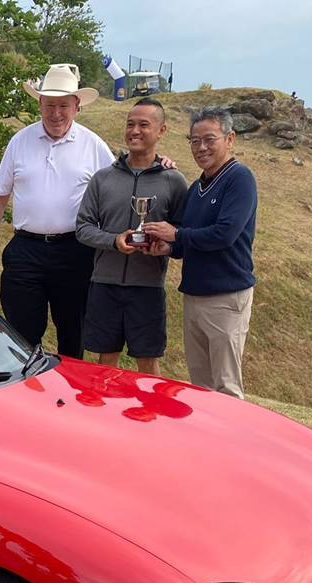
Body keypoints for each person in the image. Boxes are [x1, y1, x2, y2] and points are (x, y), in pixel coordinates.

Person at [0, 64, 113, 359]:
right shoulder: (19, 141)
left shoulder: (93, 145)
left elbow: (121, 184)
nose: (56, 113)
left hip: (75, 251)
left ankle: (69, 386)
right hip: (26, 250)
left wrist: (158, 164)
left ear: (76, 106)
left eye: (63, 105)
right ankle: (27, 385)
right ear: (39, 104)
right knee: (21, 337)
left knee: (73, 334)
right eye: (50, 105)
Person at [143, 106, 258, 398]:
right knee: (201, 386)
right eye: (195, 141)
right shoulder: (196, 188)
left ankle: (230, 432)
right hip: (194, 294)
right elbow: (188, 241)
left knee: (226, 386)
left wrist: (176, 234)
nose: (201, 147)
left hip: (226, 296)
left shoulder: (240, 178)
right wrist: (168, 247)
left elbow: (225, 234)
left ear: (229, 139)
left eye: (209, 139)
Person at [75, 97, 187, 376]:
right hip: (104, 284)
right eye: (130, 124)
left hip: (147, 286)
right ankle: (106, 407)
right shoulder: (102, 178)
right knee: (105, 362)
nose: (135, 131)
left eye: (144, 125)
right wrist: (113, 241)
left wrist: (165, 246)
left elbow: (183, 234)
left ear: (161, 131)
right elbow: (83, 228)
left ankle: (150, 408)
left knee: (148, 364)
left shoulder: (173, 180)